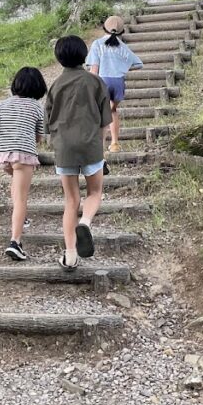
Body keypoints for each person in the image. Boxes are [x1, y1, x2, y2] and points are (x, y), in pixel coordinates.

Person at [45, 36, 112, 270]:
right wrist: (101, 147)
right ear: (84, 55)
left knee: (70, 200)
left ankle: (71, 255)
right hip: (91, 146)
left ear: (59, 58)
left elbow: (47, 122)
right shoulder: (95, 82)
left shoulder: (55, 85)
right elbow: (105, 121)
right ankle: (85, 222)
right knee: (94, 192)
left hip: (64, 148)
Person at [0, 66, 47, 261]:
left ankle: (22, 219)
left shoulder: (3, 104)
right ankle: (15, 242)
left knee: (15, 184)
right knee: (22, 198)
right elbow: (40, 135)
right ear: (38, 87)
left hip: (4, 155)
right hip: (24, 155)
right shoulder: (36, 107)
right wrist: (35, 140)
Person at [86, 15, 143, 153]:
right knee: (112, 111)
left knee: (100, 113)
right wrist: (122, 68)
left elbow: (94, 69)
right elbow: (138, 64)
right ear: (122, 32)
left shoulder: (98, 44)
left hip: (102, 80)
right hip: (118, 82)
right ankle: (115, 143)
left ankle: (99, 146)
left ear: (104, 28)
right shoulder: (123, 46)